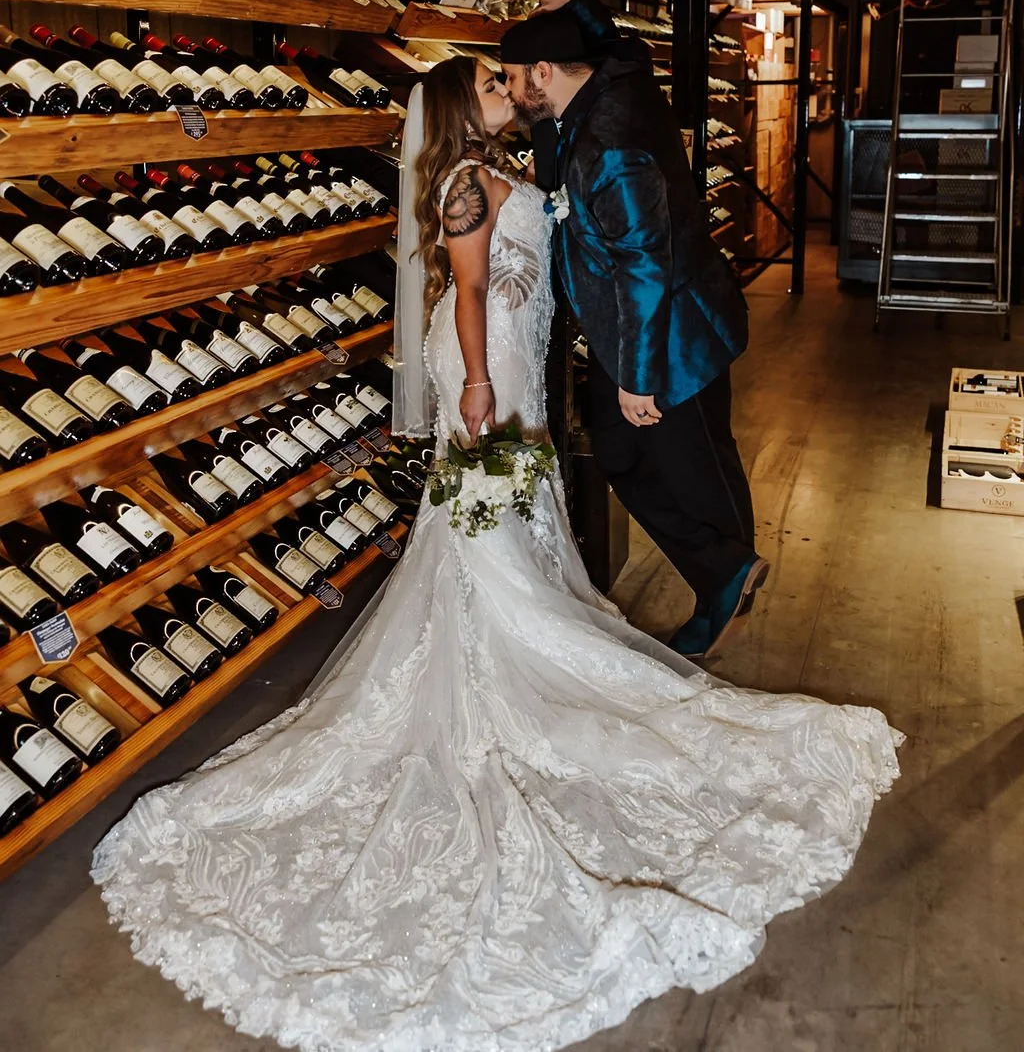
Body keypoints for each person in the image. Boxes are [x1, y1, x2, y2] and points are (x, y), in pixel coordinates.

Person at [93, 54, 901, 1052]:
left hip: (515, 352)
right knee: (483, 521)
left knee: (509, 518)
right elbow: (469, 293)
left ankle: (514, 619)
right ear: (451, 107)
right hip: (487, 360)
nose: (500, 89)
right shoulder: (468, 181)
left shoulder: (492, 163)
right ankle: (495, 642)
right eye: (484, 83)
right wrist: (475, 387)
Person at [502, 0, 761, 659]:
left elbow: (645, 261)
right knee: (618, 450)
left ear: (545, 71)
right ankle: (726, 569)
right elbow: (620, 45)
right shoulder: (616, 81)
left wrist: (638, 377)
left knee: (700, 462)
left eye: (511, 78)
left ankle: (730, 577)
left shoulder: (608, 145)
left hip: (675, 336)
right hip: (635, 329)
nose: (508, 92)